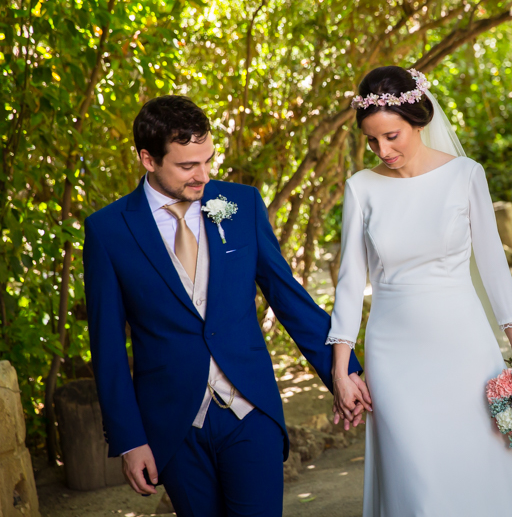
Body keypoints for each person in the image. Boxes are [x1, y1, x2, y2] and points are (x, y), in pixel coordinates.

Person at [84, 95, 370, 517]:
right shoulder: (108, 230)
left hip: (249, 409)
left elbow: (287, 296)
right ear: (148, 159)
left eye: (209, 160)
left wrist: (343, 372)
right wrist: (129, 439)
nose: (203, 176)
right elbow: (106, 346)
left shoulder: (241, 205)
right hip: (172, 425)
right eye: (187, 166)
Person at [327, 67, 512, 516]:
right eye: (372, 141)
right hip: (393, 356)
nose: (383, 150)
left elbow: (493, 264)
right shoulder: (361, 189)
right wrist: (342, 372)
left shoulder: (465, 175)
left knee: (481, 467)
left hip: (465, 348)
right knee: (416, 478)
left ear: (418, 121)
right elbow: (349, 281)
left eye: (392, 136)